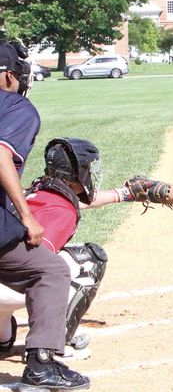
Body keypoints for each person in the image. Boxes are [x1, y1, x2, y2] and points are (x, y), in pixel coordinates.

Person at [0, 138, 173, 360]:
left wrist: (126, 194)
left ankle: (3, 336)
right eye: (88, 168)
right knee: (87, 260)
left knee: (5, 335)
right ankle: (52, 346)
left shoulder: (36, 190)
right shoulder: (61, 210)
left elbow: (72, 201)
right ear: (76, 173)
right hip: (9, 284)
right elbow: (37, 262)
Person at [0, 42, 91, 390]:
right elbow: (1, 155)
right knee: (49, 269)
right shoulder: (17, 106)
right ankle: (41, 364)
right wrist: (26, 215)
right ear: (10, 76)